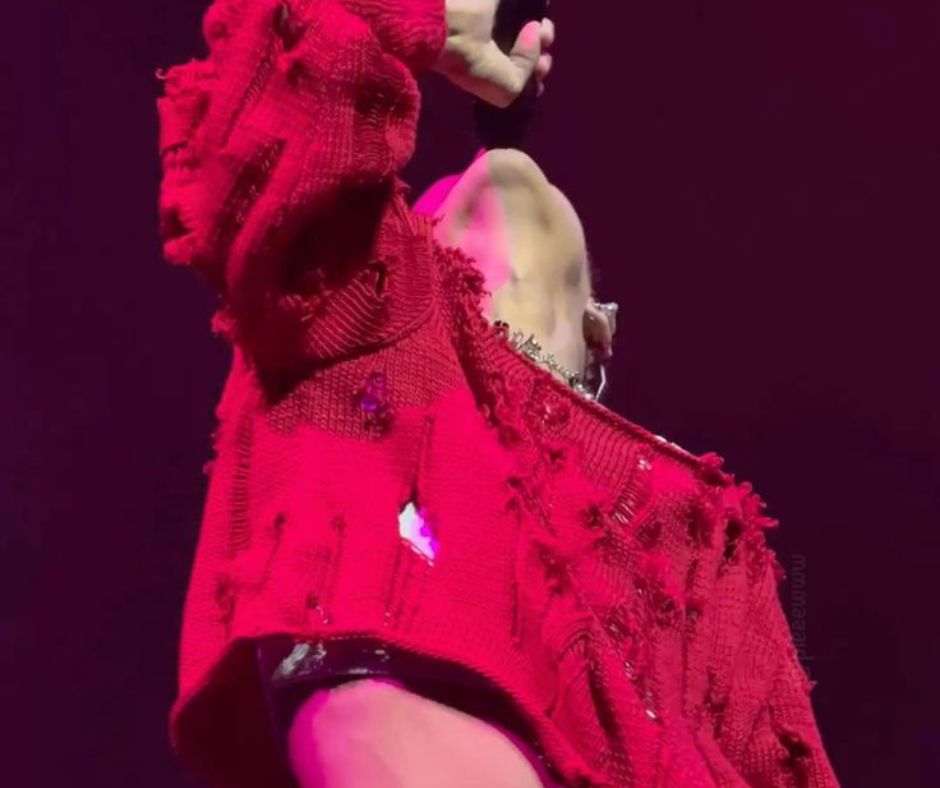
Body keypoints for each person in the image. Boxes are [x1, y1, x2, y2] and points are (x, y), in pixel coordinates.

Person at [156, 1, 840, 787]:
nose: (469, 180)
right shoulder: (370, 344)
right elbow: (277, 87)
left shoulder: (706, 541)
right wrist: (425, 22)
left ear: (602, 329)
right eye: (425, 211)